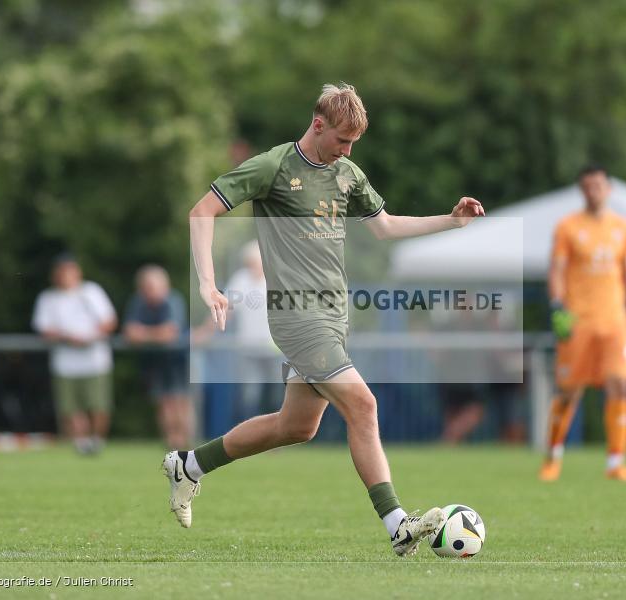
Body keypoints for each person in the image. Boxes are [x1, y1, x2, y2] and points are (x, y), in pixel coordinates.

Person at [164, 83, 484, 557]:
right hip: (296, 318)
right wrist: (208, 284)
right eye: (341, 140)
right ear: (318, 125)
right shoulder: (273, 166)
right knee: (364, 406)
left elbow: (386, 226)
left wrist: (451, 221)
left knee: (295, 427)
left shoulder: (347, 173)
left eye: (354, 144)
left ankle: (189, 465)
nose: (347, 150)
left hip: (334, 317)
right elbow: (201, 211)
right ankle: (398, 524)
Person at [539, 166, 626, 483]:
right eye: (587, 186)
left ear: (609, 189)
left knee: (620, 384)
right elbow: (556, 269)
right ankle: (552, 458)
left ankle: (616, 462)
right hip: (579, 321)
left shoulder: (622, 228)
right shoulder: (568, 227)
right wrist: (557, 306)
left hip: (615, 321)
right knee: (569, 391)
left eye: (598, 185)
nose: (593, 191)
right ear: (581, 191)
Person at [32, 253, 117, 455]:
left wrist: (90, 337)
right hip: (65, 364)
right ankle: (81, 444)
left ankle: (96, 442)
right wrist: (67, 337)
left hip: (95, 361)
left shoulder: (91, 292)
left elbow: (109, 321)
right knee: (70, 408)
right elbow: (43, 328)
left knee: (98, 405)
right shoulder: (48, 298)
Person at [123, 264, 193, 449]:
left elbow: (170, 332)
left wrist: (144, 334)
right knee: (163, 402)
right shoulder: (138, 301)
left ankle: (184, 440)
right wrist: (156, 335)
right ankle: (171, 442)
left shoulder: (173, 300)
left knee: (180, 401)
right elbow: (130, 333)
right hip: (156, 361)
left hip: (179, 359)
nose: (149, 292)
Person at [225, 240, 283, 420]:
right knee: (249, 396)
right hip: (248, 349)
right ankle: (247, 439)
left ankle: (277, 439)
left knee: (276, 396)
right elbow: (226, 309)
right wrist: (205, 332)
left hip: (275, 349)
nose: (253, 268)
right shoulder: (240, 279)